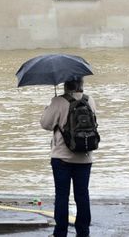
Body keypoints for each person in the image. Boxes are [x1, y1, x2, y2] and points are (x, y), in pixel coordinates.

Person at [40, 78, 97, 237]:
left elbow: (45, 124)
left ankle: (60, 233)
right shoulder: (89, 100)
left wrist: (49, 107)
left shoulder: (58, 101)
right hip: (85, 157)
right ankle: (83, 232)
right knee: (82, 195)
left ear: (65, 84)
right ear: (81, 83)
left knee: (62, 196)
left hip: (62, 158)